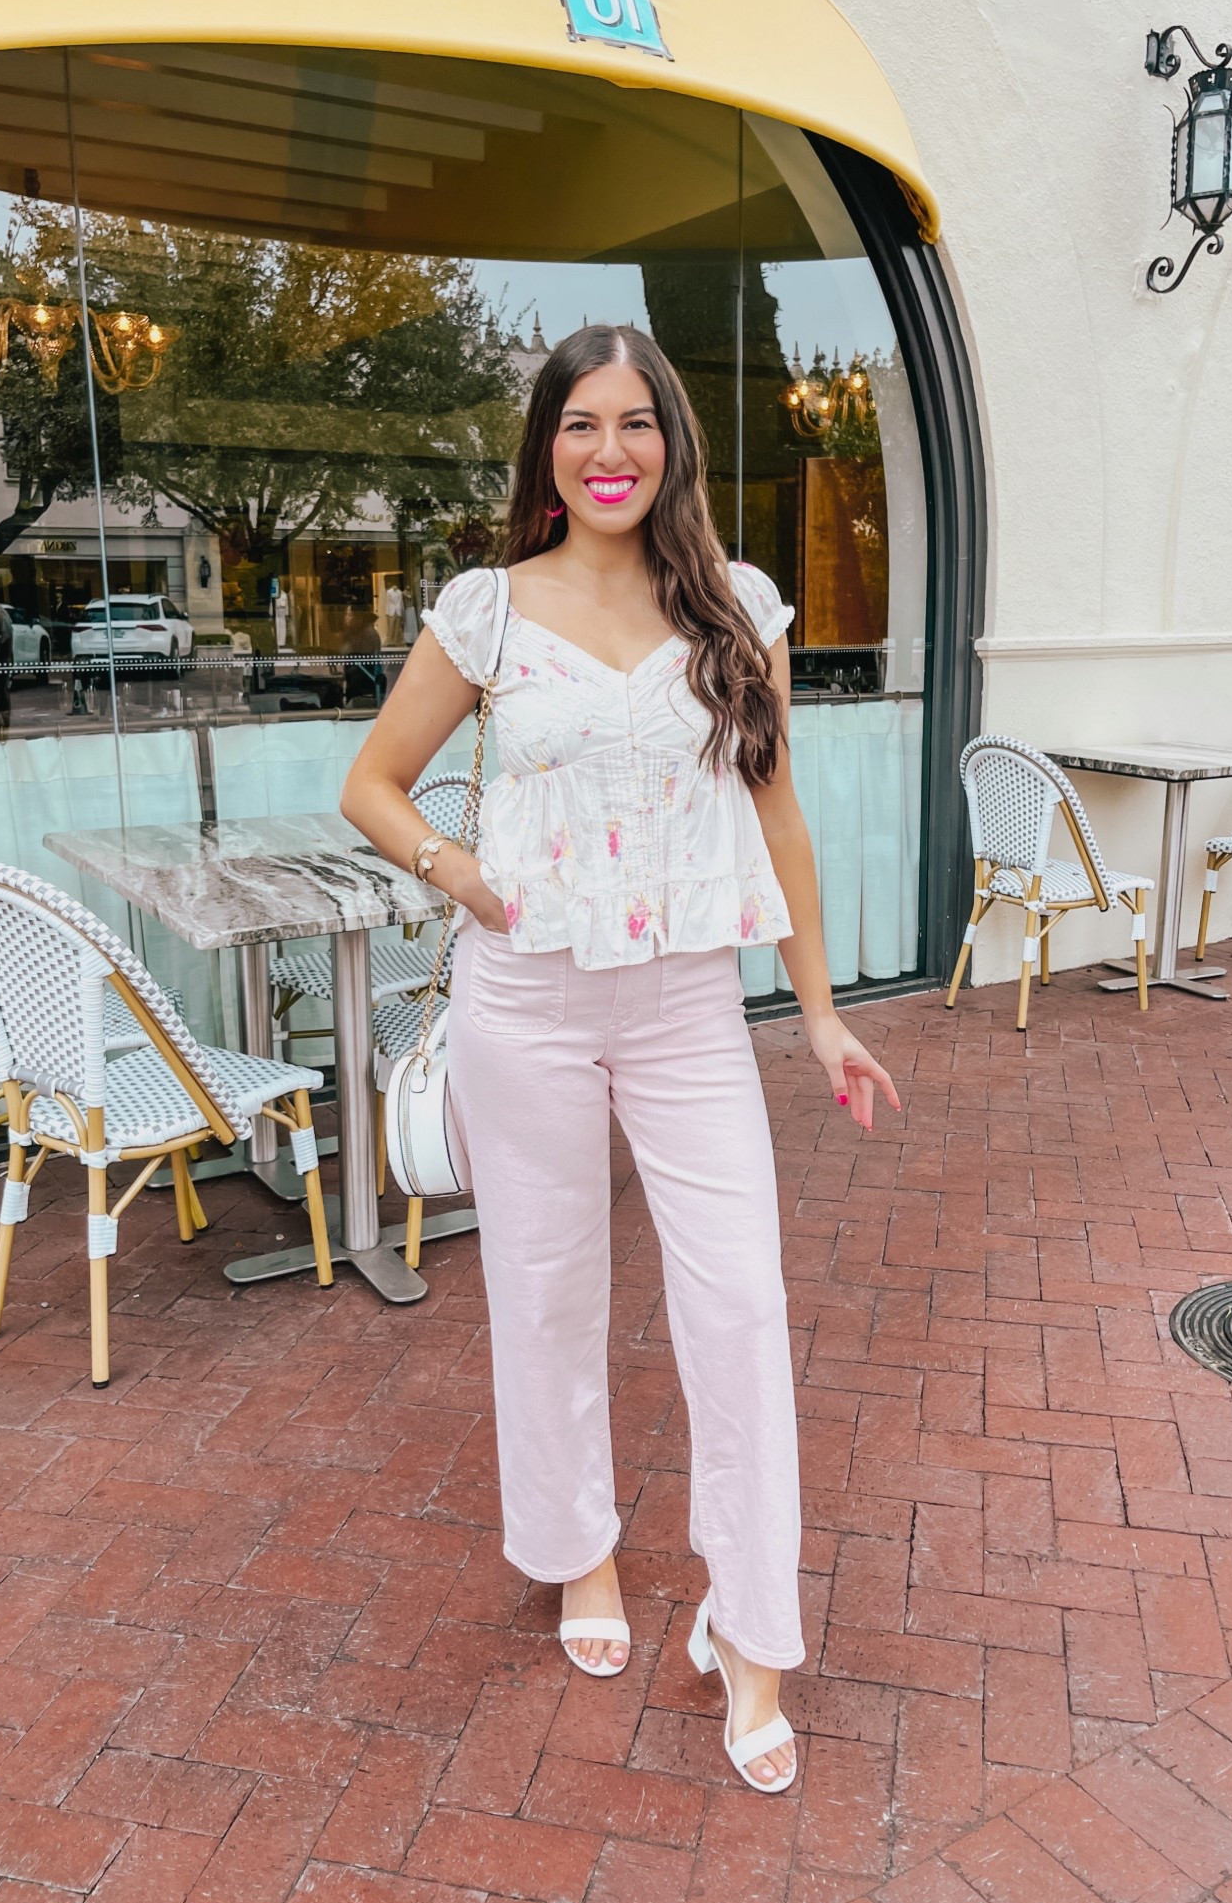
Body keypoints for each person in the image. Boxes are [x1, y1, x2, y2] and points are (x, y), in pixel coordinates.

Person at [340, 324, 898, 1793]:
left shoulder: (739, 606)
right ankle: (578, 1551)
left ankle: (751, 1625)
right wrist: (452, 872)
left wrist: (825, 1009)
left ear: (672, 446)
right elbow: (370, 783)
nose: (608, 451)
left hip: (684, 1006)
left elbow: (778, 815)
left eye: (635, 424)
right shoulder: (488, 611)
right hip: (522, 1001)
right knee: (542, 1289)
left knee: (740, 1307)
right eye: (580, 425)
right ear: (547, 449)